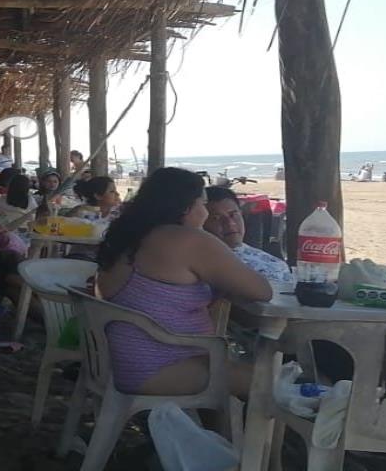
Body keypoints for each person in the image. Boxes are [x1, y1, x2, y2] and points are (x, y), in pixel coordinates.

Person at [95, 167, 272, 396]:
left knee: (242, 372)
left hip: (119, 363)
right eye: (203, 204)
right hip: (158, 369)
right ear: (185, 206)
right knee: (273, 384)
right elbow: (262, 290)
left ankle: (216, 431)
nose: (206, 214)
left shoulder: (129, 236)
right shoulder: (186, 240)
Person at [203, 187, 292, 284]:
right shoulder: (199, 265)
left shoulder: (276, 265)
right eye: (216, 218)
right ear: (201, 222)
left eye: (233, 215)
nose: (230, 223)